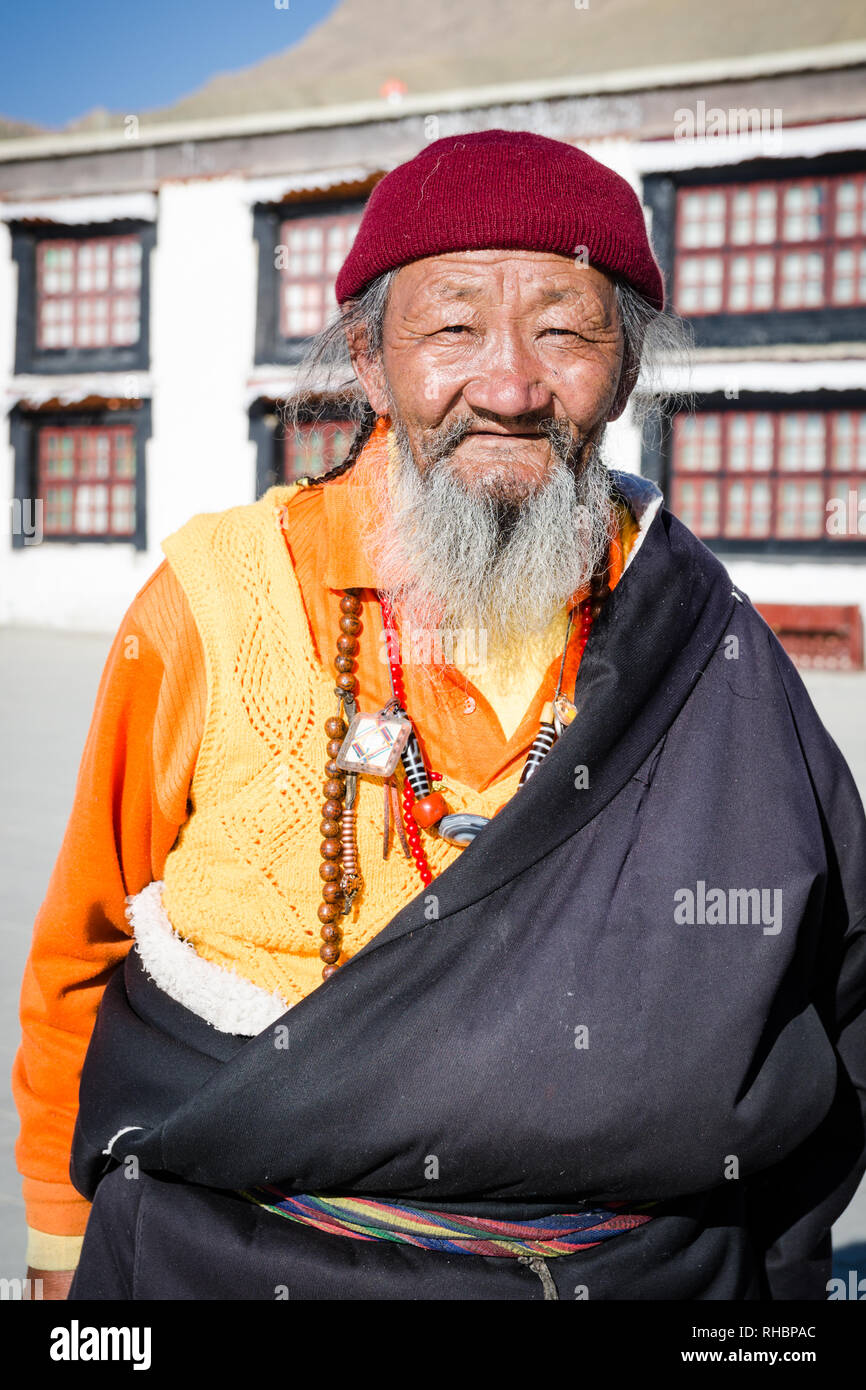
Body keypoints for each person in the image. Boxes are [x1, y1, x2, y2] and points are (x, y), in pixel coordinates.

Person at [13, 129, 866, 1301]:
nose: (509, 385)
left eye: (563, 329)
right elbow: (84, 945)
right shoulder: (212, 607)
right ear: (368, 360)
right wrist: (58, 1244)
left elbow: (831, 990)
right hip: (229, 1263)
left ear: (623, 372)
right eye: (452, 327)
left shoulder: (705, 637)